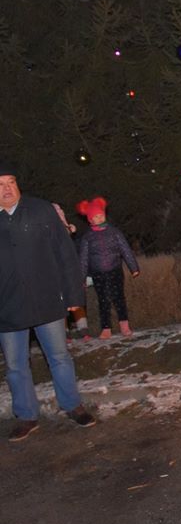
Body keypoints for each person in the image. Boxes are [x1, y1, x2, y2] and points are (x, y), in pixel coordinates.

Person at [0, 163, 96, 441]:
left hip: (47, 299)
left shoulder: (41, 211)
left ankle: (72, 405)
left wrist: (74, 296)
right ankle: (27, 415)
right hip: (7, 307)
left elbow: (65, 254)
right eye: (1, 184)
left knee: (59, 357)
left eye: (11, 182)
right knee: (16, 365)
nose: (7, 189)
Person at [76, 197, 141, 338]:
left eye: (101, 215)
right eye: (96, 217)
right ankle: (106, 328)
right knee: (103, 300)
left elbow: (125, 249)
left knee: (119, 298)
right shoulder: (87, 237)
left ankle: (124, 325)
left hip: (115, 270)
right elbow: (83, 259)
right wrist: (82, 278)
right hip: (98, 273)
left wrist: (133, 267)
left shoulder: (114, 232)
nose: (99, 218)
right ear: (90, 220)